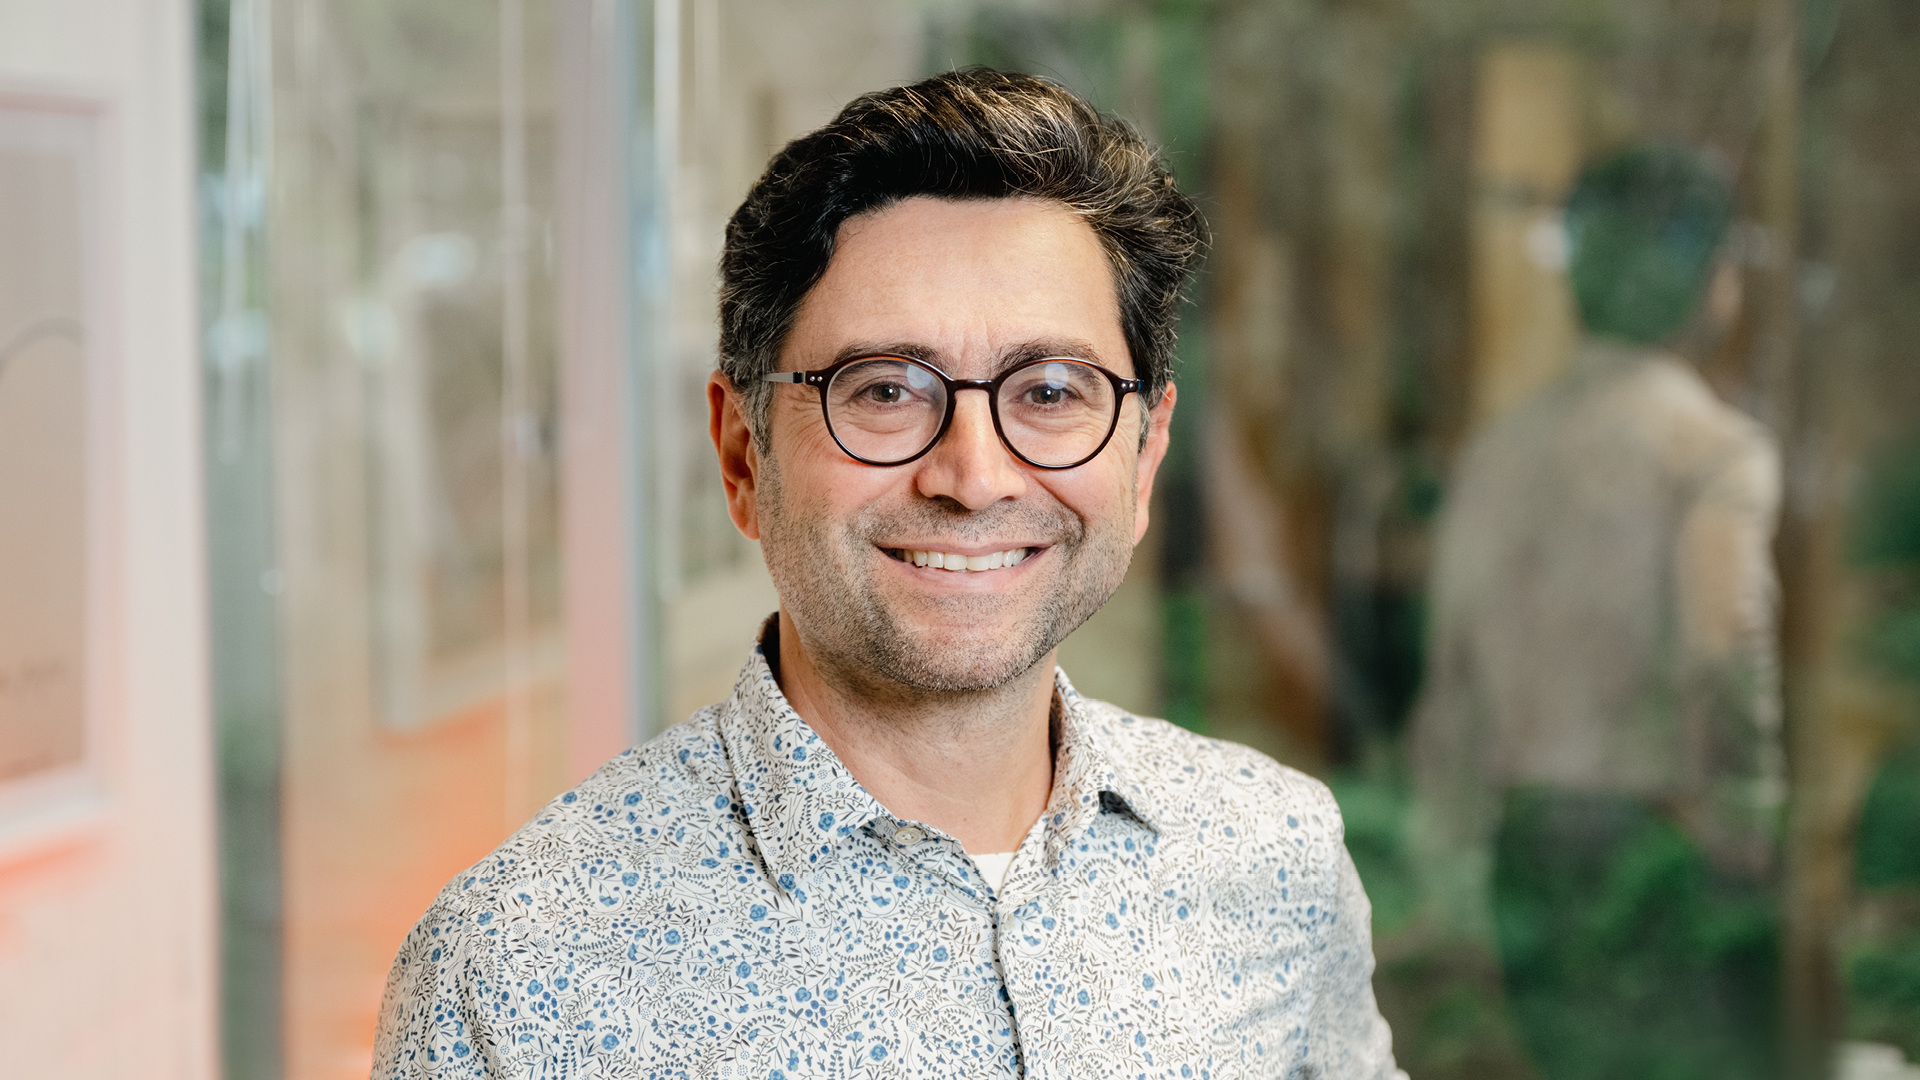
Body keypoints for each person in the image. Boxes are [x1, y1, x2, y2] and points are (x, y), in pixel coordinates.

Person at [372, 68, 1403, 1078]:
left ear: (1142, 459)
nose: (975, 476)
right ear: (742, 455)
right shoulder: (515, 972)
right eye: (884, 391)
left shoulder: (1278, 857)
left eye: (1051, 391)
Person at [1409, 145, 1784, 1080]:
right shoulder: (1711, 448)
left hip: (1524, 841)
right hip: (1660, 842)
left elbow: (1451, 680)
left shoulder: (1503, 450)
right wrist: (1749, 828)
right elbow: (1725, 649)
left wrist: (1447, 866)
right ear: (1708, 275)